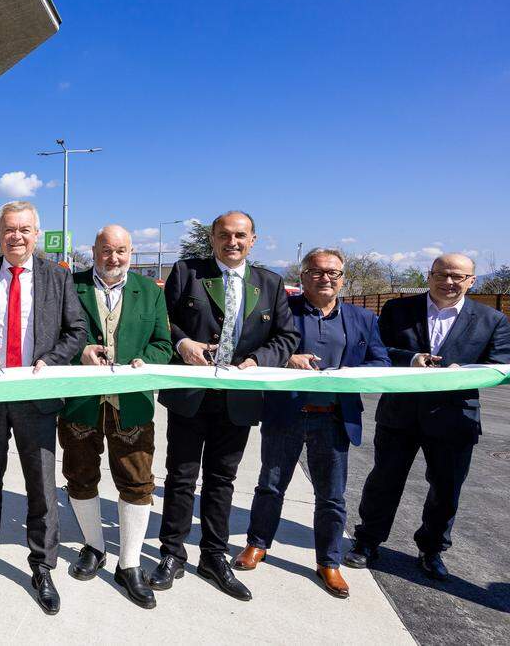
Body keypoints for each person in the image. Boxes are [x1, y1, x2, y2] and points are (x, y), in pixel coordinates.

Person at [150, 211, 299, 601]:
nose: (231, 242)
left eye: (240, 236)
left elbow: (287, 336)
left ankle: (214, 556)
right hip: (191, 393)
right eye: (223, 236)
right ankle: (171, 554)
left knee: (221, 479)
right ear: (212, 239)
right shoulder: (187, 272)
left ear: (253, 239)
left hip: (239, 398)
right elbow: (160, 318)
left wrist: (258, 361)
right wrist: (182, 343)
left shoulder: (270, 282)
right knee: (181, 477)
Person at [233, 248, 389, 598]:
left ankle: (328, 562)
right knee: (270, 487)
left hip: (334, 419)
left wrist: (354, 374)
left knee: (331, 497)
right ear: (302, 276)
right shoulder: (280, 313)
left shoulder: (363, 319)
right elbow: (258, 351)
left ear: (343, 279)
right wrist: (287, 359)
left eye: (333, 272)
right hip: (286, 415)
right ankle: (257, 544)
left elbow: (380, 360)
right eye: (316, 271)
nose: (325, 278)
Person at [345, 253, 510, 581]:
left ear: (471, 281)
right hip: (400, 414)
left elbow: (500, 366)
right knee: (384, 481)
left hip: (455, 419)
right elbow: (379, 352)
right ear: (429, 275)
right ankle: (367, 542)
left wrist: (462, 374)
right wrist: (411, 358)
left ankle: (432, 549)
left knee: (447, 489)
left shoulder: (492, 320)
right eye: (442, 274)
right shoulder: (397, 310)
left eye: (458, 277)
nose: (449, 282)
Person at [0, 201, 87, 615]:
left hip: (36, 398)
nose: (16, 236)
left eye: (24, 229)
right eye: (8, 230)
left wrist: (50, 361)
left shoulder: (57, 276)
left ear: (37, 233)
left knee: (41, 485)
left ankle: (42, 564)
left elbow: (77, 329)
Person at [58, 225, 172, 609]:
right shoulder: (69, 285)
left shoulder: (151, 291)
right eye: (106, 250)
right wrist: (79, 354)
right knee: (79, 475)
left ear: (131, 252)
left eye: (121, 251)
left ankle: (130, 563)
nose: (114, 258)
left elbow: (163, 343)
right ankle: (93, 546)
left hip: (133, 404)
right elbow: (55, 337)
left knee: (137, 481)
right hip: (81, 403)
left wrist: (148, 361)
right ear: (94, 251)